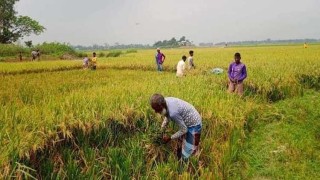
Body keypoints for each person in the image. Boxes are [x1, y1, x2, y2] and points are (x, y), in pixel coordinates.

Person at [150, 94, 202, 161]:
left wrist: (170, 138)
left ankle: (187, 163)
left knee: (188, 151)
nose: (156, 112)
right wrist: (162, 129)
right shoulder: (165, 101)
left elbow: (184, 130)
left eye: (157, 109)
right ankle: (180, 159)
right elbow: (167, 115)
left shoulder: (173, 113)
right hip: (186, 121)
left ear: (161, 106)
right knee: (181, 145)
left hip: (194, 124)